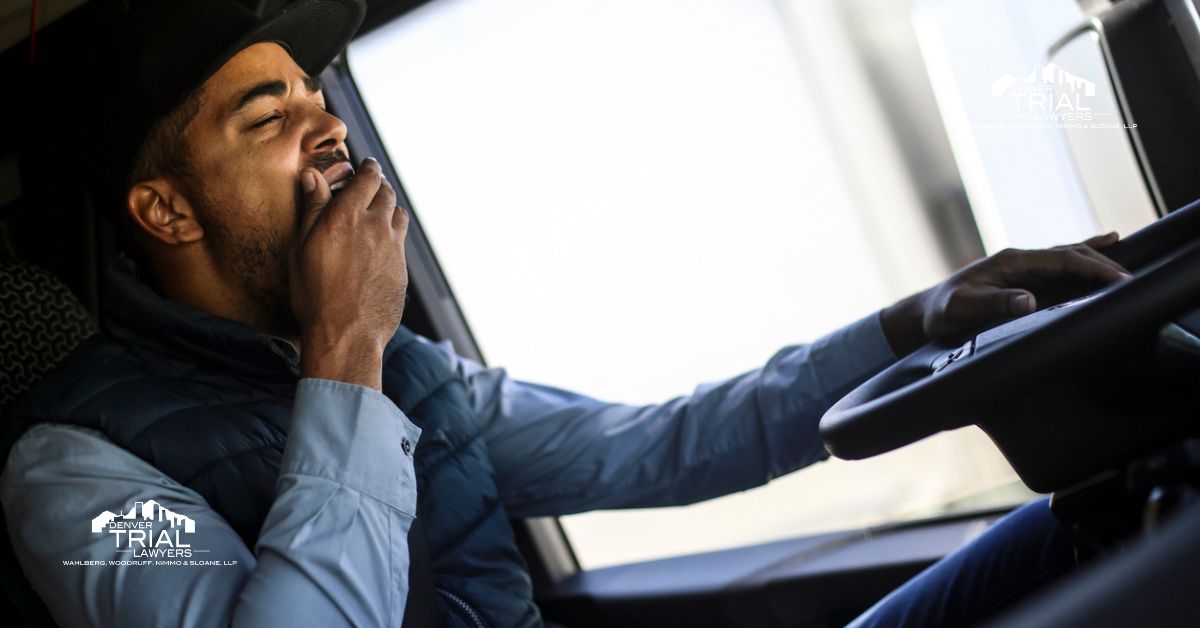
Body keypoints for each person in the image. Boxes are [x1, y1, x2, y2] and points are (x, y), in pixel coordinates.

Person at [0, 1, 1128, 626]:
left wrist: (912, 321)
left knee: (1098, 523)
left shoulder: (416, 377)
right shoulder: (77, 470)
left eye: (317, 90)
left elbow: (666, 444)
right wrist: (342, 352)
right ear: (166, 208)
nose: (328, 124)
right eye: (269, 113)